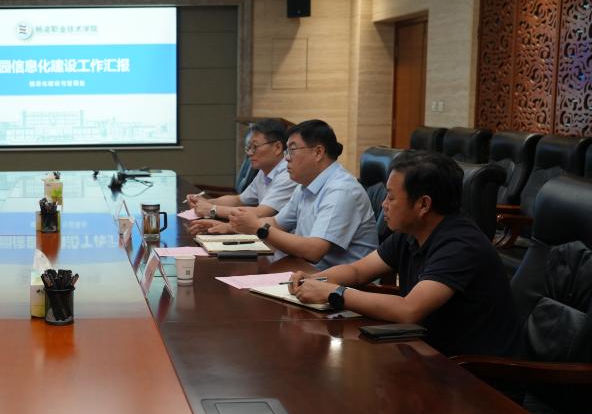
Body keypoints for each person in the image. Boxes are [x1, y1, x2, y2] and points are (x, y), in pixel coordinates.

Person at [290, 150, 523, 358]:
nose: (383, 204)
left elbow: (409, 310)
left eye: (391, 197)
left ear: (423, 205)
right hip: (429, 353)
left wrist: (334, 293)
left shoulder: (461, 244)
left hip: (475, 373)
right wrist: (315, 280)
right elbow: (358, 271)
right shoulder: (411, 232)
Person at [228, 119, 377, 269]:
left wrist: (258, 228)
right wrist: (236, 226)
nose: (286, 158)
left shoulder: (341, 190)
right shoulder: (305, 185)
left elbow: (314, 251)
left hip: (337, 280)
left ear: (318, 152)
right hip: (304, 271)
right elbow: (277, 223)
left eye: (292, 150)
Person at [187, 119, 298, 235]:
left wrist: (212, 209)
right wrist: (205, 202)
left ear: (278, 147)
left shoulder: (288, 174)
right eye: (248, 147)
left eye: (255, 147)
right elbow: (239, 200)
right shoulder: (265, 170)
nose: (249, 153)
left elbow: (260, 213)